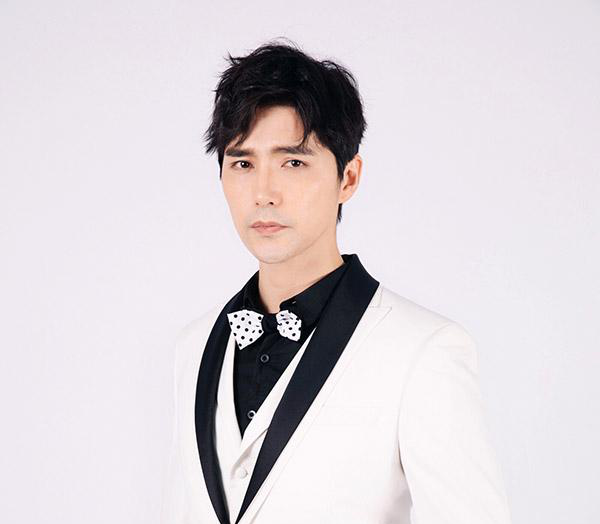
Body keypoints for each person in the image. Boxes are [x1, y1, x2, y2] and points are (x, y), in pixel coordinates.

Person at [160, 39, 512, 524]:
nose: (263, 193)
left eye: (293, 162)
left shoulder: (424, 351)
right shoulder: (194, 345)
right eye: (243, 163)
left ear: (348, 178)